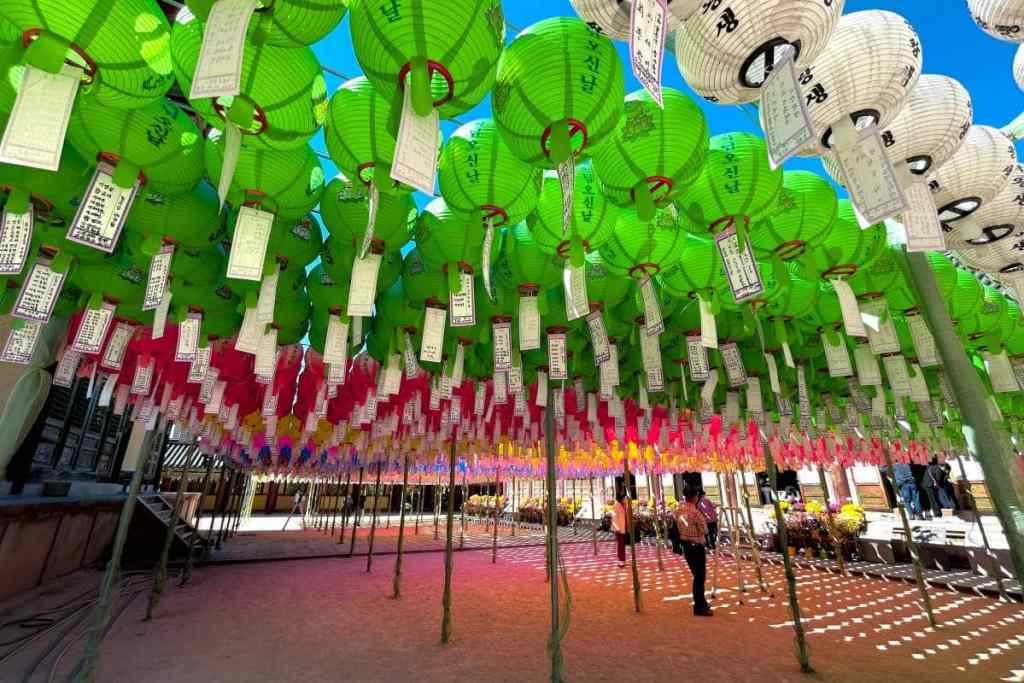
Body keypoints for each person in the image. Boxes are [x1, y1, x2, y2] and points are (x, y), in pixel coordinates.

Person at [674, 483, 712, 616]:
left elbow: (675, 525)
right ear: (695, 497)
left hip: (686, 546)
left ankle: (701, 603)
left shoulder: (678, 510)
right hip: (697, 547)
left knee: (697, 576)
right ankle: (699, 606)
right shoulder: (695, 513)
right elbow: (705, 530)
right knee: (699, 577)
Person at [611, 490, 628, 568]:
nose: (625, 499)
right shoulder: (616, 506)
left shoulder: (624, 505)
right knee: (620, 545)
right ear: (620, 499)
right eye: (624, 498)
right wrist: (617, 528)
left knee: (622, 545)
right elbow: (614, 519)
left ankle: (623, 560)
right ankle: (620, 560)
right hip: (619, 529)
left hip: (623, 528)